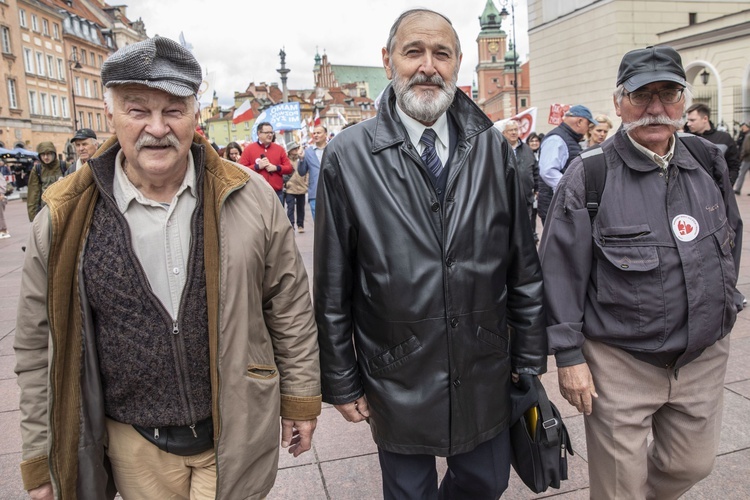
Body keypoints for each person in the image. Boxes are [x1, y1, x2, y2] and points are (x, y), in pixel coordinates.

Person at [14, 36, 321, 500]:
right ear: (109, 114)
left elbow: (288, 303)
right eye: (138, 110)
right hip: (135, 444)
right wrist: (42, 459)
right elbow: (39, 349)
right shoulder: (63, 214)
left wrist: (300, 397)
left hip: (234, 428)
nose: (157, 128)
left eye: (174, 110)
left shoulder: (250, 194)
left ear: (195, 115)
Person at [315, 9, 546, 499]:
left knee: (486, 481)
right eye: (413, 52)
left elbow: (523, 266)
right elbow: (333, 285)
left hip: (482, 359)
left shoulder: (492, 148)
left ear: (458, 63)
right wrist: (341, 380)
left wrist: (527, 355)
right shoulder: (348, 155)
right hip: (397, 368)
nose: (428, 66)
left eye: (441, 53)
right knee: (408, 493)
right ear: (388, 61)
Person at [540, 45, 742, 499]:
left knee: (693, 463)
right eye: (640, 95)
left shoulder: (707, 161)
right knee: (619, 489)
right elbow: (559, 273)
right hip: (621, 360)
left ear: (684, 100)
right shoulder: (589, 175)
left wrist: (728, 303)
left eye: (668, 94)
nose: (655, 108)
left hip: (701, 356)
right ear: (618, 103)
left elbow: (731, 236)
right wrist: (569, 358)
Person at [537, 105, 597, 224]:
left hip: (561, 204)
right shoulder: (556, 139)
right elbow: (547, 171)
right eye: (588, 124)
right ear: (579, 121)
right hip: (557, 206)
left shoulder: (567, 138)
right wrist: (572, 188)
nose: (588, 129)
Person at [686, 103, 740, 185]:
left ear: (705, 119)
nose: (688, 124)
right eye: (688, 120)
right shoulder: (685, 139)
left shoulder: (724, 138)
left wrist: (727, 186)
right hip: (691, 191)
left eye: (692, 120)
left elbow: (734, 165)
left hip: (718, 192)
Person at [238, 122, 292, 203]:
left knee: (278, 216)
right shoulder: (249, 149)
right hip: (257, 193)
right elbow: (241, 170)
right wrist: (257, 167)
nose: (270, 135)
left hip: (276, 193)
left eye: (271, 132)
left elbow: (289, 168)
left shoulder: (279, 149)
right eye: (267, 133)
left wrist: (276, 168)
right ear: (259, 133)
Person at [502, 119, 538, 240]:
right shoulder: (499, 149)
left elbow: (535, 170)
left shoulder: (527, 149)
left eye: (515, 130)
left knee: (525, 227)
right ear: (504, 133)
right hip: (506, 198)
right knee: (510, 229)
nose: (513, 132)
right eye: (510, 130)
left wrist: (537, 188)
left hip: (526, 197)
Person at [26, 141, 65, 221]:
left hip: (63, 208)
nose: (46, 157)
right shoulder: (37, 170)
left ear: (54, 154)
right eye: (43, 154)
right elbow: (33, 194)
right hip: (45, 210)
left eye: (49, 154)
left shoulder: (64, 166)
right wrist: (33, 218)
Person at [298, 124, 327, 220]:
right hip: (315, 192)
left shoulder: (332, 148)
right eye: (314, 133)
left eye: (319, 133)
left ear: (325, 134)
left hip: (332, 191)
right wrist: (301, 159)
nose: (316, 135)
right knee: (318, 222)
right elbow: (302, 172)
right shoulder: (308, 151)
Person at [284, 142, 308, 232]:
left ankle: (300, 225)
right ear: (289, 151)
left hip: (302, 186)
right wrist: (286, 184)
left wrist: (306, 182)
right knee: (290, 208)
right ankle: (291, 225)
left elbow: (307, 171)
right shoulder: (286, 160)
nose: (296, 150)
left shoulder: (302, 159)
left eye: (297, 148)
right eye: (294, 149)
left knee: (301, 207)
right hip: (290, 188)